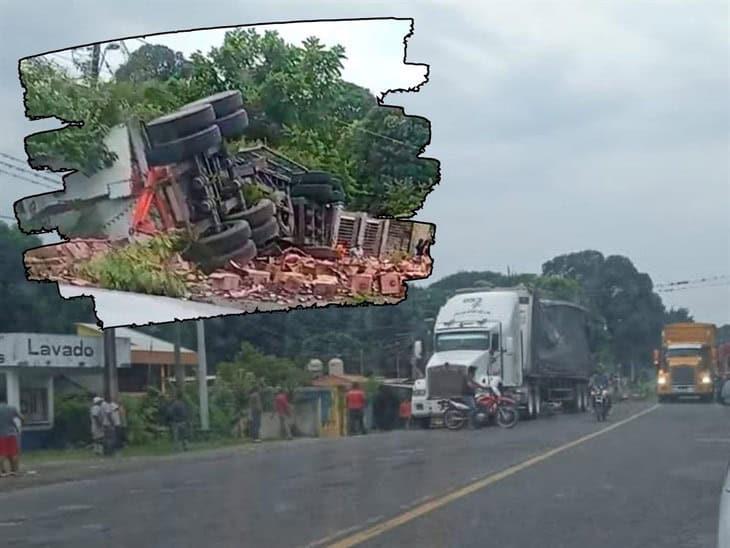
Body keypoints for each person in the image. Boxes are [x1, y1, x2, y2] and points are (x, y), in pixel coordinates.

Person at [0, 400, 23, 477]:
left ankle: (2, 472)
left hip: (1, 435)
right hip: (12, 434)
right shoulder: (12, 408)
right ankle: (14, 471)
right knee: (14, 453)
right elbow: (22, 417)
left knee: (2, 453)